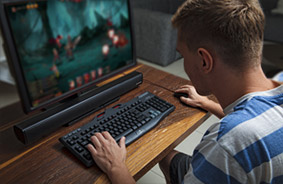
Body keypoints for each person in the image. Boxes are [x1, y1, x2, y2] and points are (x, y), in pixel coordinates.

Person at [86, 0, 283, 183]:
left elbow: (237, 141)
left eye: (182, 55)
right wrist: (207, 103)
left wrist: (116, 167)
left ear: (204, 61)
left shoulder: (226, 146)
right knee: (165, 154)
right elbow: (258, 120)